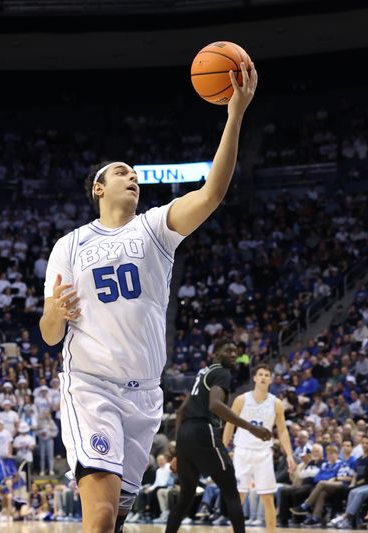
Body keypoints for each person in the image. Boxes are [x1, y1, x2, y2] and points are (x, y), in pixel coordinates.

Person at [41, 58, 258, 533]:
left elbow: (213, 193)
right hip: (91, 386)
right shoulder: (70, 245)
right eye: (122, 172)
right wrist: (57, 311)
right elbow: (50, 333)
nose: (132, 176)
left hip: (144, 396)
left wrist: (234, 114)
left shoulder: (154, 228)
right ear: (99, 188)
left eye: (136, 173)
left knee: (117, 517)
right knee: (98, 514)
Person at [165, 338, 272, 533]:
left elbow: (180, 412)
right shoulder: (222, 373)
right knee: (231, 489)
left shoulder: (203, 373)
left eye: (235, 351)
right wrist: (251, 428)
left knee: (186, 497)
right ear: (216, 354)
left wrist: (180, 451)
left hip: (186, 433)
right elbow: (214, 405)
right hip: (203, 430)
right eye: (228, 350)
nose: (233, 354)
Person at [222, 363, 296, 533]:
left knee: (268, 498)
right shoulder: (241, 400)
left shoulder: (276, 403)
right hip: (242, 452)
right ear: (254, 378)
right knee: (238, 496)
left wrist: (290, 455)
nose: (263, 377)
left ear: (270, 380)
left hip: (263, 453)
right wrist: (223, 448)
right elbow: (229, 425)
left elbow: (283, 430)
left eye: (266, 375)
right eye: (260, 374)